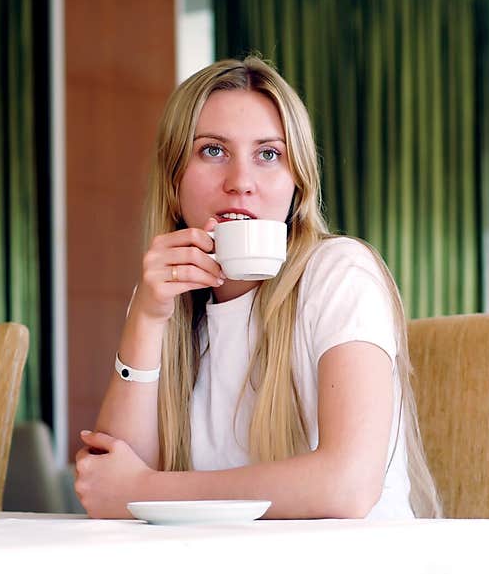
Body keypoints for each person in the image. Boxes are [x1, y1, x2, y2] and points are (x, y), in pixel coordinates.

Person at [74, 55, 442, 520]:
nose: (241, 182)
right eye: (212, 151)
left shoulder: (339, 274)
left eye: (268, 155)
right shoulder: (166, 298)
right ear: (174, 178)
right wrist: (146, 318)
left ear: (297, 186)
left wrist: (149, 490)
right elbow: (113, 488)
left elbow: (347, 486)